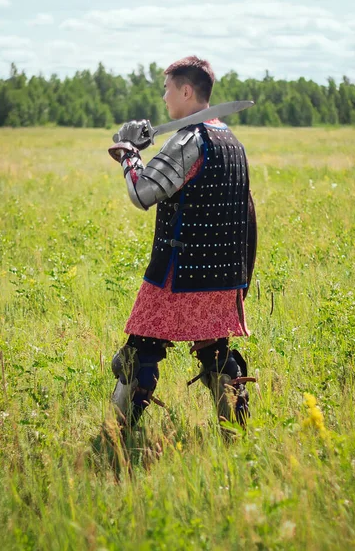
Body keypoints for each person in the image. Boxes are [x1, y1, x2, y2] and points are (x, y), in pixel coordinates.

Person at [107, 56, 257, 432]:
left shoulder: (191, 139)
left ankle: (117, 436)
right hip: (222, 277)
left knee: (138, 355)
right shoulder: (231, 139)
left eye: (167, 89)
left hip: (178, 274)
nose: (163, 97)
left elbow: (142, 193)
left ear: (186, 90)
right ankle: (234, 433)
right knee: (216, 352)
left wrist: (128, 154)